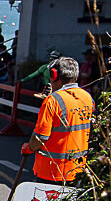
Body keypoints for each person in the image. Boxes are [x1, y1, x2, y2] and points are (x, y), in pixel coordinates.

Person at [21, 57, 94, 185]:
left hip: (51, 171)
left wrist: (28, 148)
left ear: (54, 75)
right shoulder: (87, 97)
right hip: (78, 170)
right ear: (75, 77)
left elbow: (40, 138)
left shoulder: (52, 101)